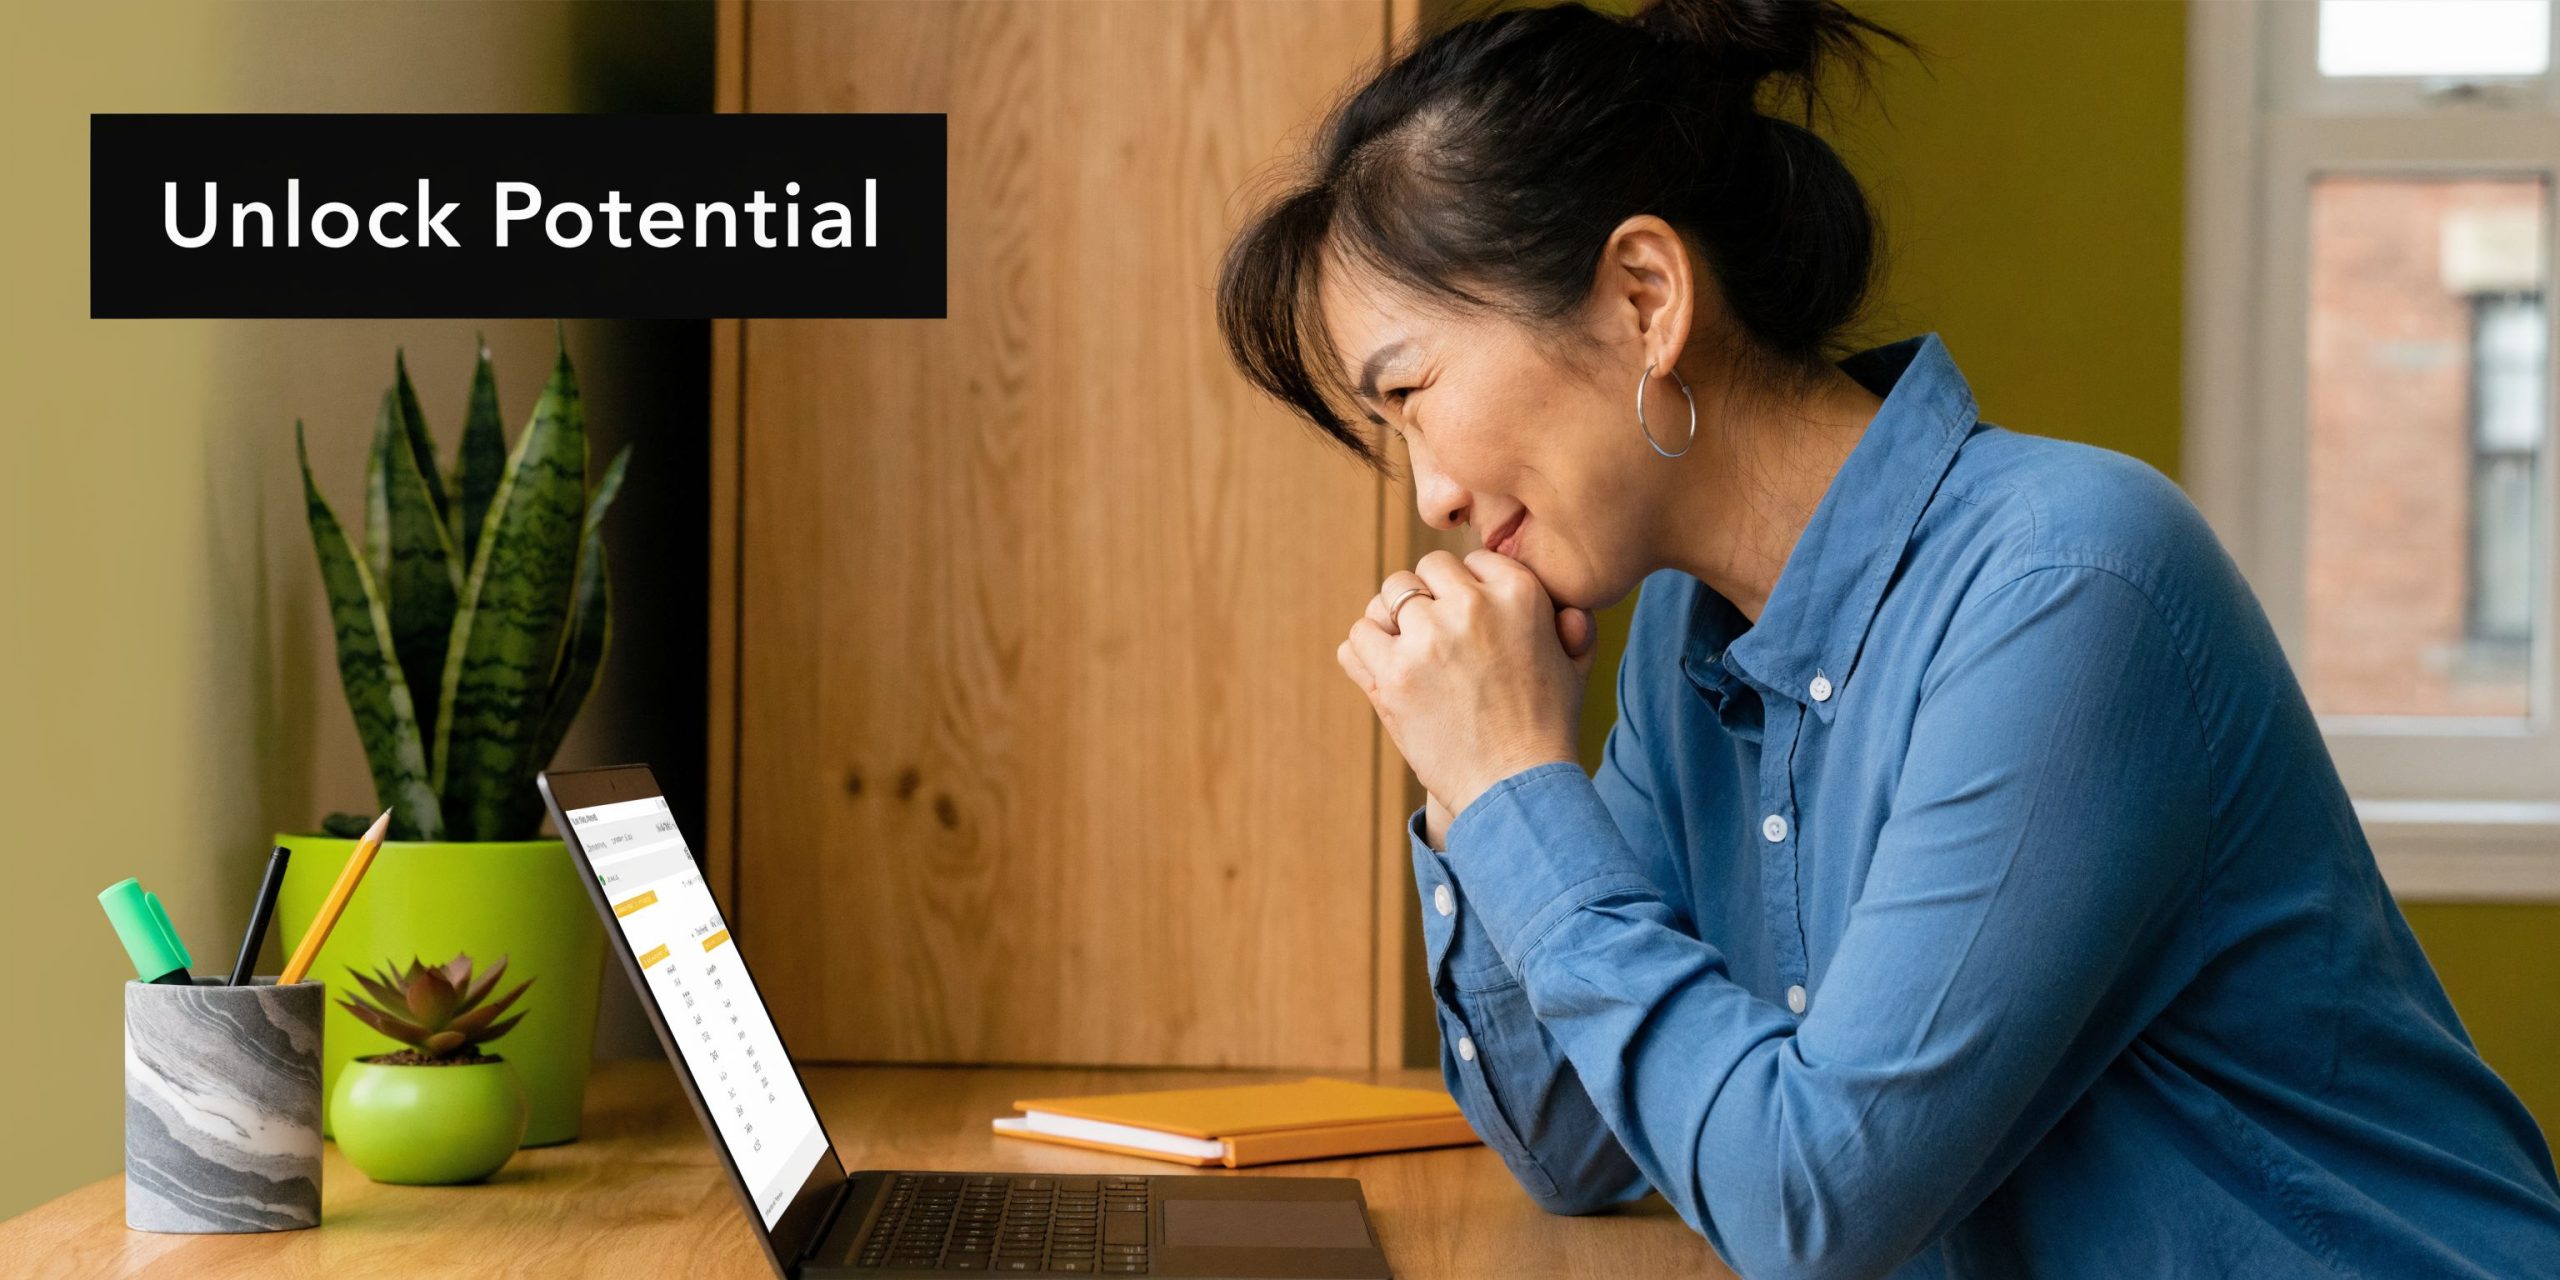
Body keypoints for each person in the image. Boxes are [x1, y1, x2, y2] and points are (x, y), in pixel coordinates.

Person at [1211, 1, 2560, 1276]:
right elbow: (1581, 1144)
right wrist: (1477, 785)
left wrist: (1517, 795)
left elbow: (1812, 1204)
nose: (1433, 493)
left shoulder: (2069, 585)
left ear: (1643, 298)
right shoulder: (1700, 628)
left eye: (1414, 391)